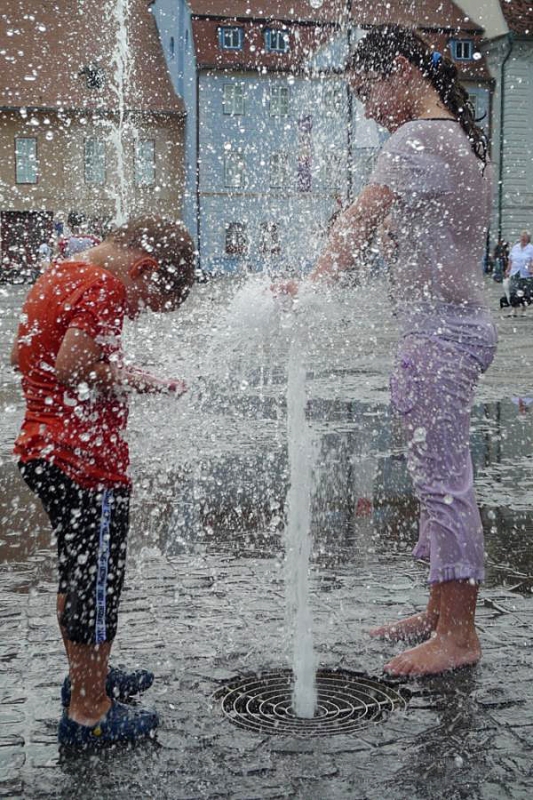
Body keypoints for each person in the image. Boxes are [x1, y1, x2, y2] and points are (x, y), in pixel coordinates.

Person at [277, 26, 497, 677]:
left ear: (400, 70)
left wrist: (312, 288)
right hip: (458, 328)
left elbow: (356, 221)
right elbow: (404, 242)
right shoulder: (455, 140)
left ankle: (458, 635)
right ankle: (438, 611)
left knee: (442, 482)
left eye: (365, 90)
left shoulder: (413, 140)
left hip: (436, 337)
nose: (366, 108)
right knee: (439, 476)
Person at [11, 216, 195, 747]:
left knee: (76, 573)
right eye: (144, 303)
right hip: (85, 464)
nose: (133, 313)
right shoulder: (105, 286)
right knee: (97, 583)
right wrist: (148, 381)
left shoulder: (61, 272)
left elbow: (22, 356)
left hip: (43, 451)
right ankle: (90, 711)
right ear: (144, 267)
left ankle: (87, 676)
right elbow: (74, 367)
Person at [504, 231, 533, 315]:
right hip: (515, 272)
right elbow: (510, 260)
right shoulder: (515, 247)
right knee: (513, 290)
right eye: (522, 237)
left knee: (526, 292)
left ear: (528, 239)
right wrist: (507, 270)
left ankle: (524, 309)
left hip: (526, 273)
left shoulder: (531, 248)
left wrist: (532, 267)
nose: (523, 238)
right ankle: (514, 308)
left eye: (525, 237)